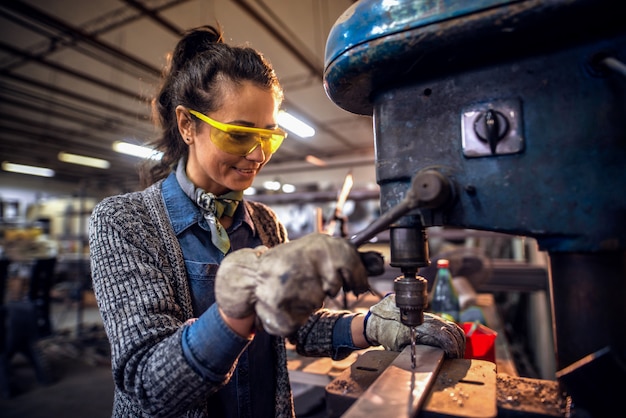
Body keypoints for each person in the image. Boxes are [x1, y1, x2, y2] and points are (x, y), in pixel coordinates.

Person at [89, 25, 465, 417]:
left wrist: (371, 325)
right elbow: (149, 385)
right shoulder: (124, 222)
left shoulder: (264, 223)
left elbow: (295, 326)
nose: (257, 155)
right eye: (238, 135)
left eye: (268, 137)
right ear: (187, 125)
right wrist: (232, 315)